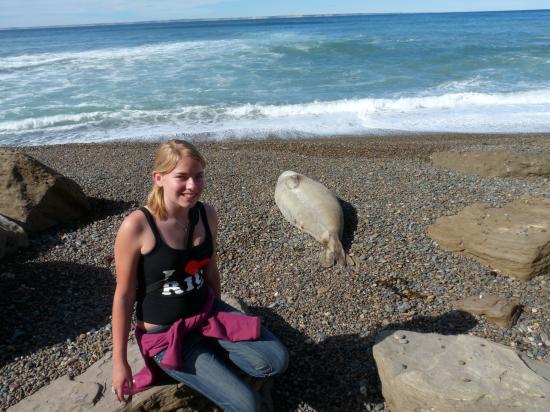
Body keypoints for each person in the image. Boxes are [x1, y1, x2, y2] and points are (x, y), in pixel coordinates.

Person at [111, 140, 288, 412]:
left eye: (198, 176)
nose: (192, 186)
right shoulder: (137, 226)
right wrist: (119, 363)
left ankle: (210, 352)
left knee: (276, 361)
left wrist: (220, 321)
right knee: (247, 405)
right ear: (158, 178)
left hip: (206, 313)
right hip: (166, 333)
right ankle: (186, 362)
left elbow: (210, 268)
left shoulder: (207, 214)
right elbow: (124, 296)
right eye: (181, 177)